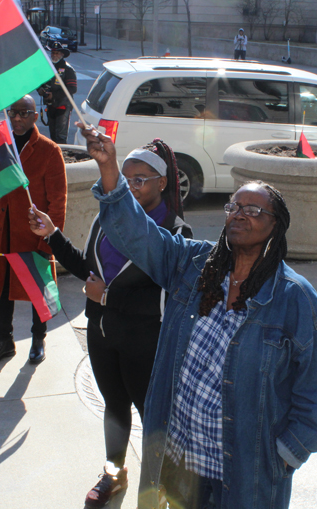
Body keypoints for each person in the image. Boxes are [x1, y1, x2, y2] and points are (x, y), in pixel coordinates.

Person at [78, 125, 317, 509]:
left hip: (244, 471)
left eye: (253, 210)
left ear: (276, 225)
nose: (239, 214)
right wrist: (109, 170)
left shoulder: (294, 297)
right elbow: (140, 237)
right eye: (234, 206)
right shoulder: (193, 264)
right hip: (178, 459)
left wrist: (285, 455)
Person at [29, 139, 193, 508]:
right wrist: (52, 235)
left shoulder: (177, 233)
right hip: (102, 336)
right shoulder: (108, 219)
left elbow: (168, 301)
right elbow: (88, 272)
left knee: (153, 416)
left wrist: (108, 297)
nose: (132, 187)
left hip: (145, 343)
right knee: (114, 405)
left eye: (141, 180)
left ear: (163, 183)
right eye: (127, 179)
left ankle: (162, 485)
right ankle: (113, 474)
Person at [0, 95, 67, 366]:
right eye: (13, 112)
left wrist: (50, 239)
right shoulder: (1, 148)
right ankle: (4, 341)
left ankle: (38, 339)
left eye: (24, 113)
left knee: (38, 290)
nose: (17, 119)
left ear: (36, 116)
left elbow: (58, 202)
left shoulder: (49, 151)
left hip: (34, 234)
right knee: (2, 290)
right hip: (4, 234)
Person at [37, 42, 77, 144]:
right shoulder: (47, 67)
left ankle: (62, 156)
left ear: (62, 55)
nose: (54, 55)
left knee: (61, 137)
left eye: (57, 53)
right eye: (53, 53)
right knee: (53, 135)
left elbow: (72, 88)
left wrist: (54, 95)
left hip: (63, 105)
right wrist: (40, 90)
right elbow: (39, 82)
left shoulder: (68, 69)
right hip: (50, 105)